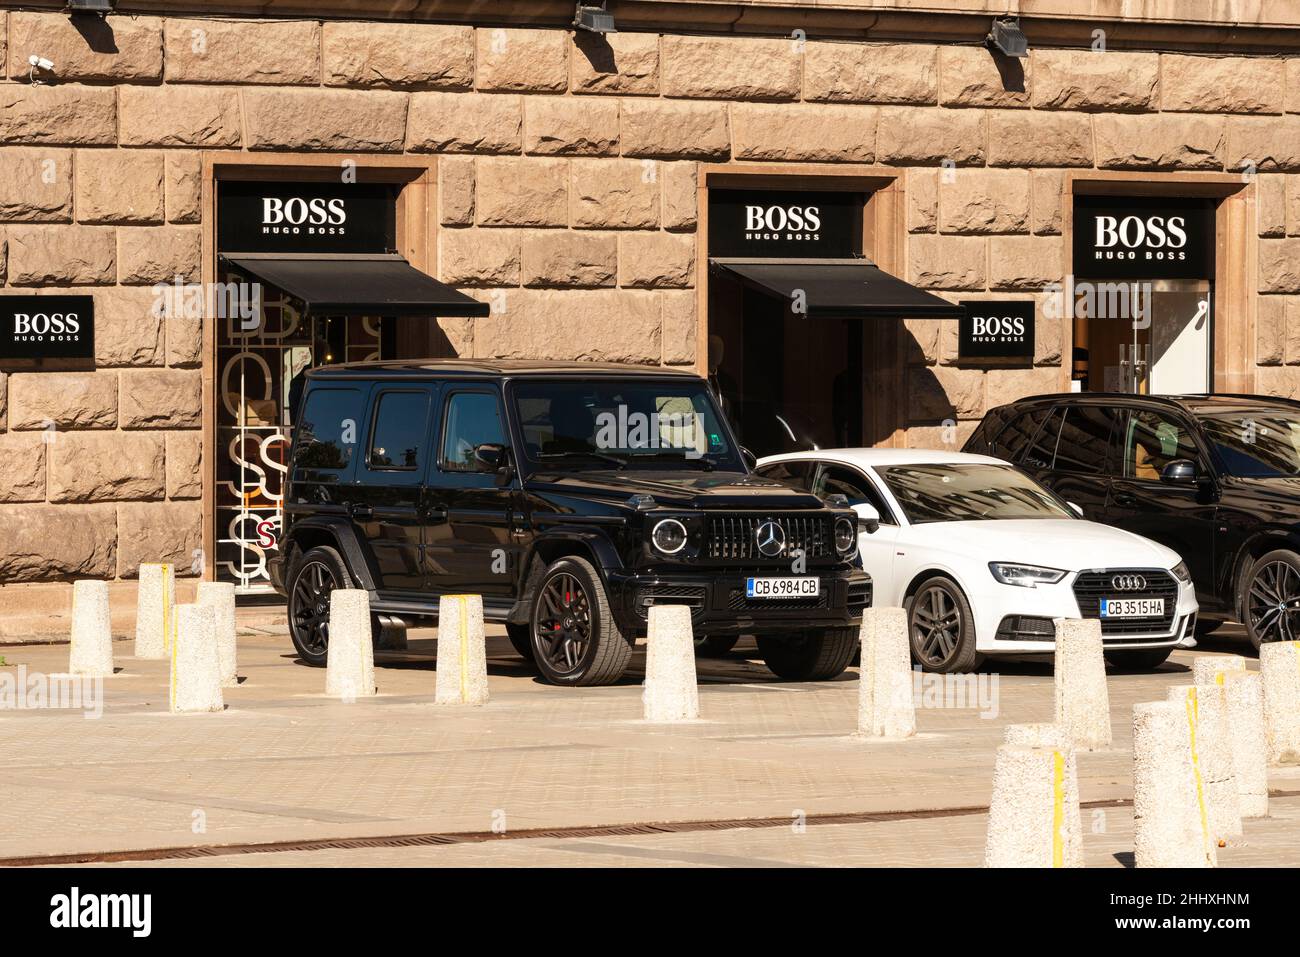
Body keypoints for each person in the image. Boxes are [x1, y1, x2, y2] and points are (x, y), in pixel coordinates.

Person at [287, 337, 331, 425]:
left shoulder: (311, 374)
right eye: (325, 351)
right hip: (308, 425)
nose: (326, 354)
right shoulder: (309, 376)